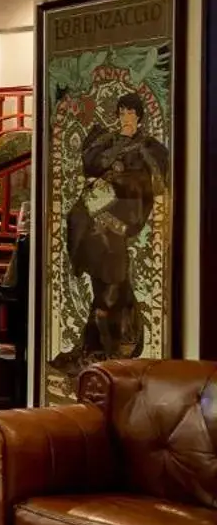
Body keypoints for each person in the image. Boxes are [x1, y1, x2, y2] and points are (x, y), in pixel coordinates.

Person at [63, 92, 170, 362]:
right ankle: (100, 347)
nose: (126, 118)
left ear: (140, 116)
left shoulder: (149, 147)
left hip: (122, 216)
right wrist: (105, 172)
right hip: (93, 215)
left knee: (113, 282)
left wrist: (116, 180)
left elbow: (149, 184)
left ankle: (111, 346)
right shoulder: (106, 140)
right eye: (122, 113)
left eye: (131, 113)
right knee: (103, 280)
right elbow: (89, 164)